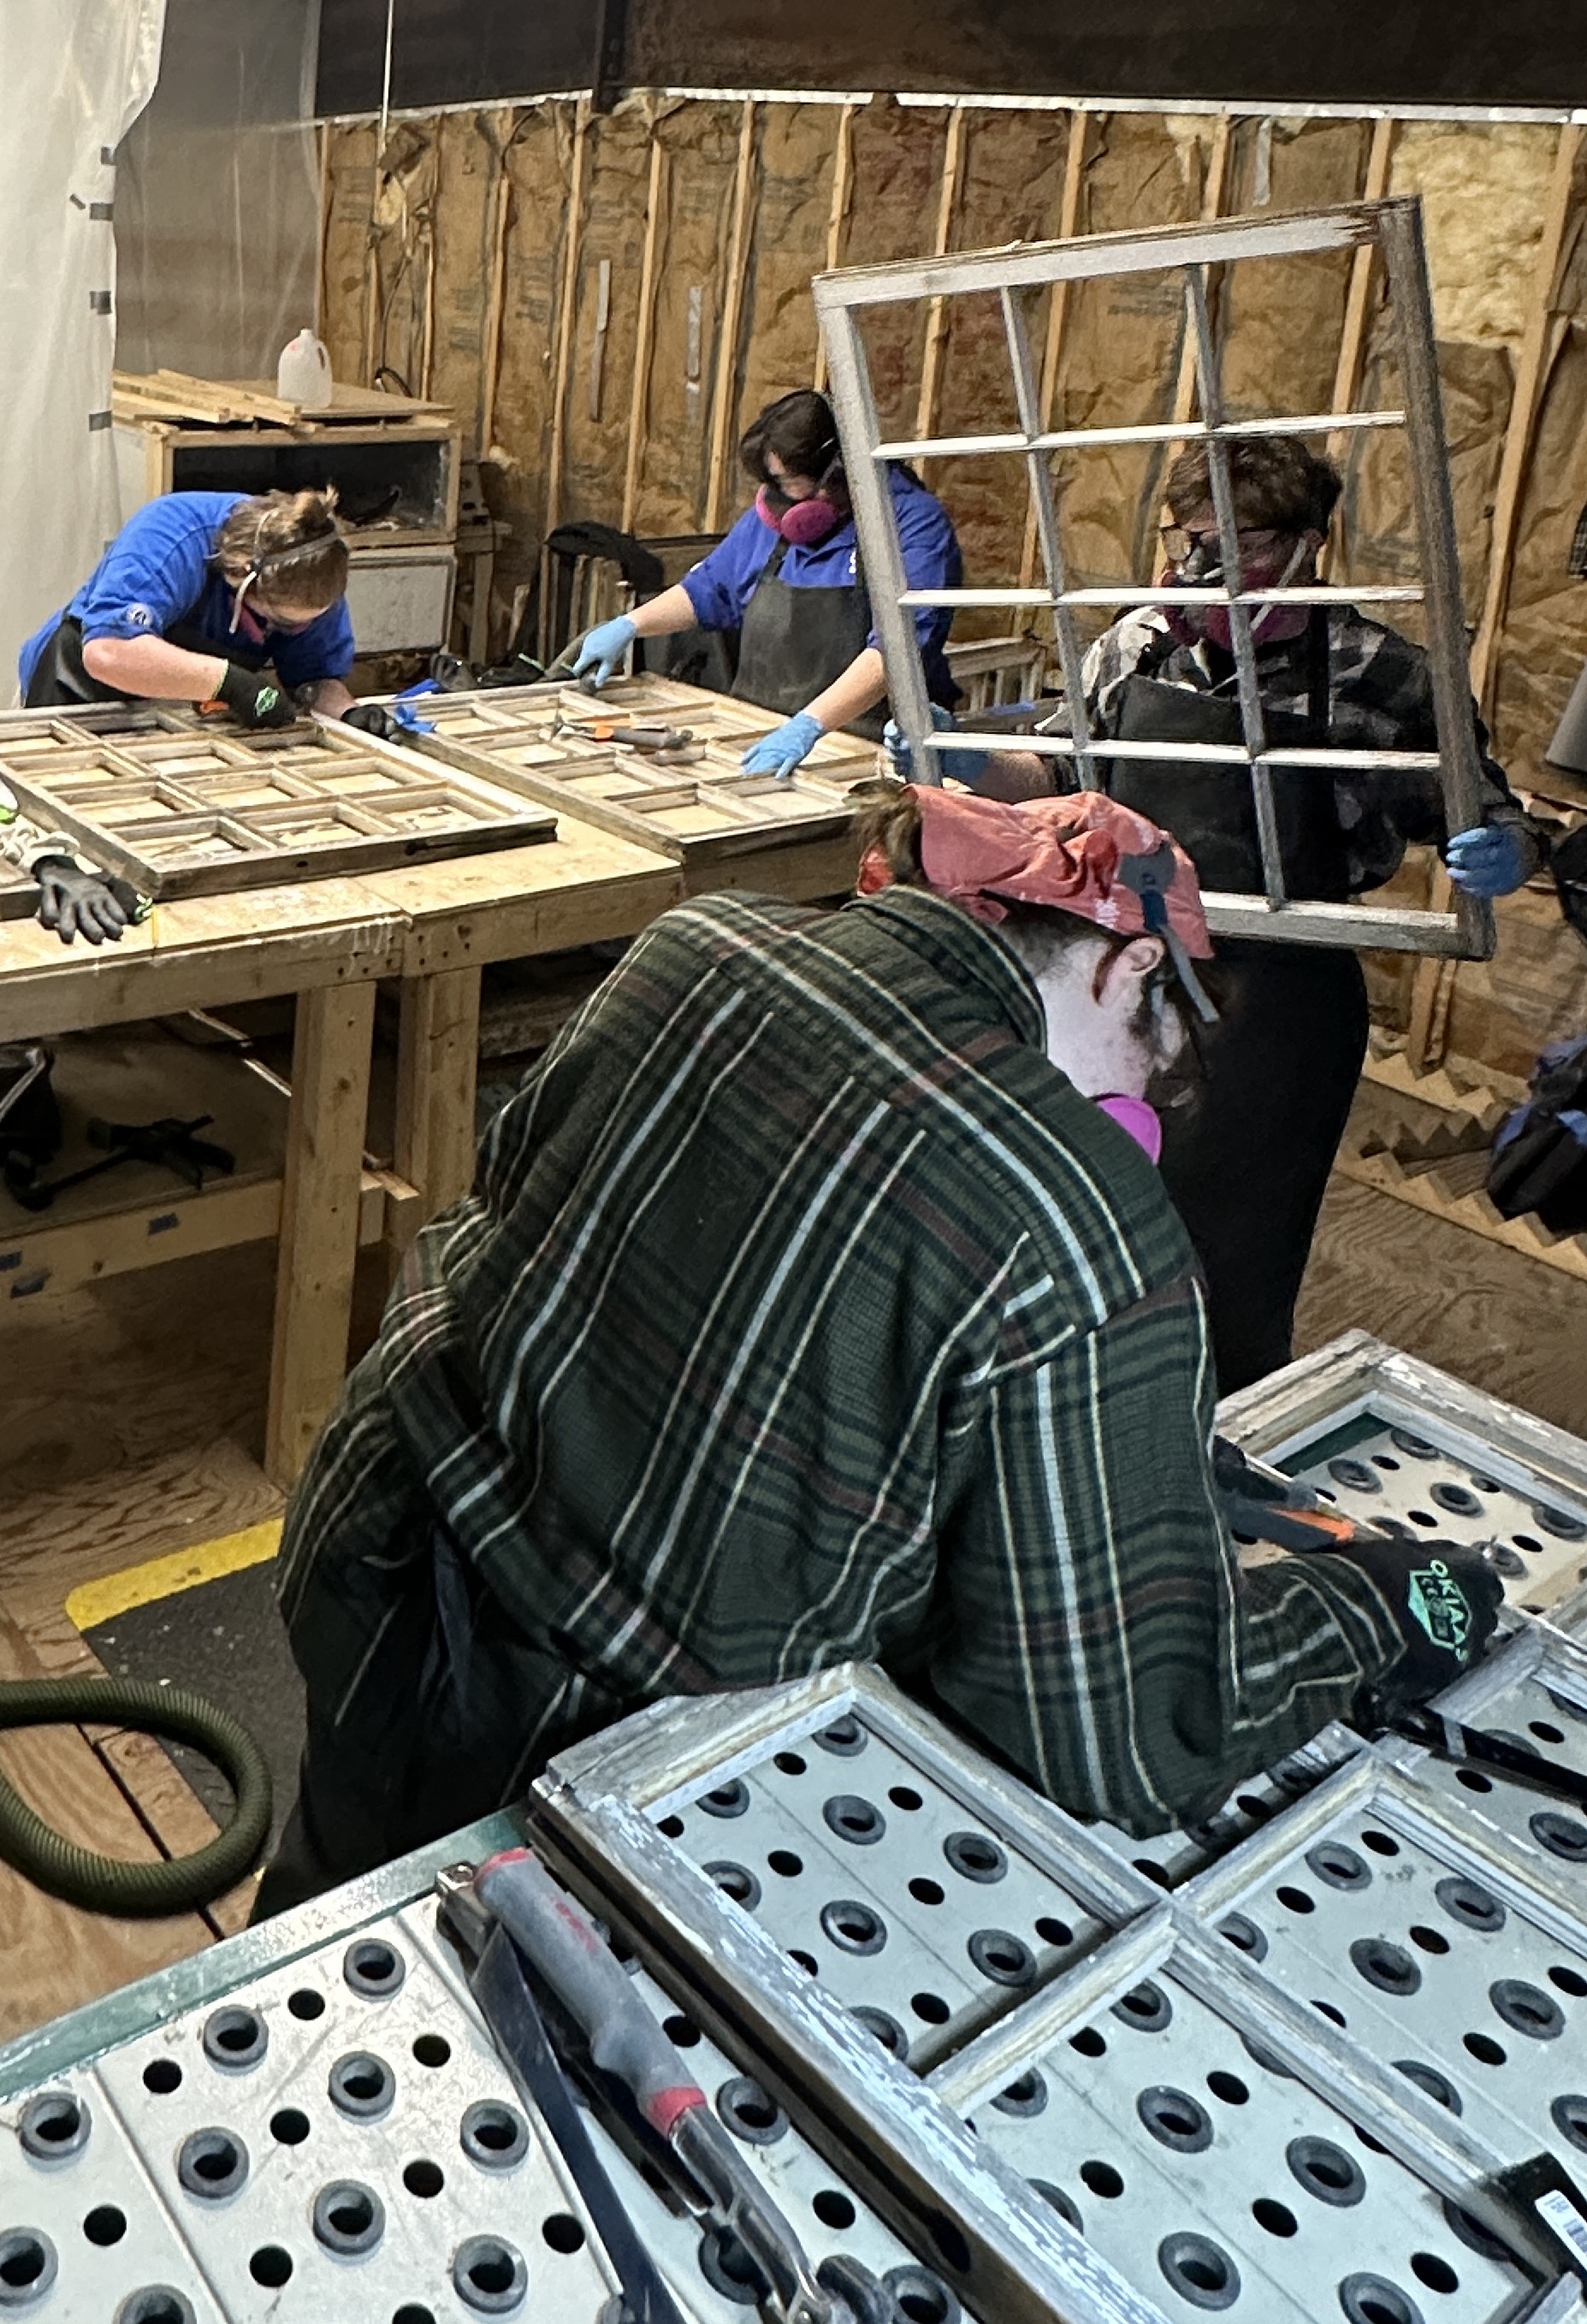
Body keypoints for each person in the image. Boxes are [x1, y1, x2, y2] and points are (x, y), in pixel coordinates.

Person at [254, 781, 1501, 1919]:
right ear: (1129, 973)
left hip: (373, 1549)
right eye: (1154, 1068)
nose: (1136, 1114)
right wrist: (1381, 1602)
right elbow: (1127, 1736)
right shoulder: (1074, 1215)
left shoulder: (696, 946)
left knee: (324, 1918)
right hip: (574, 1744)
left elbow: (560, 1230)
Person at [974, 436, 1542, 1392]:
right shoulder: (1140, 642)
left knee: (1229, 1266)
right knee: (1081, 1227)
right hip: (1127, 981)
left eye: (1243, 551)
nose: (1204, 570)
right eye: (1193, 541)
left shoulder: (1381, 673)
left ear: (1310, 547)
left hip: (1280, 1002)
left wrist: (1501, 850)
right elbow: (1059, 769)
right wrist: (969, 764)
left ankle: (1211, 1444)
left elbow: (1482, 808)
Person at [565, 387, 964, 776]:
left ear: (837, 472)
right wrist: (631, 625)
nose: (776, 497)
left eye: (787, 481)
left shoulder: (912, 525)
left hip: (867, 752)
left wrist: (809, 725)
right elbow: (711, 589)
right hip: (759, 734)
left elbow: (896, 652)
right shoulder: (776, 518)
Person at [19, 488, 377, 735]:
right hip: (81, 689)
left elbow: (312, 679)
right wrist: (231, 683)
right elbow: (108, 652)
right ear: (240, 575)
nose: (305, 628)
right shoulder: (170, 533)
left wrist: (349, 713)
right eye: (282, 622)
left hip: (182, 715)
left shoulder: (315, 569)